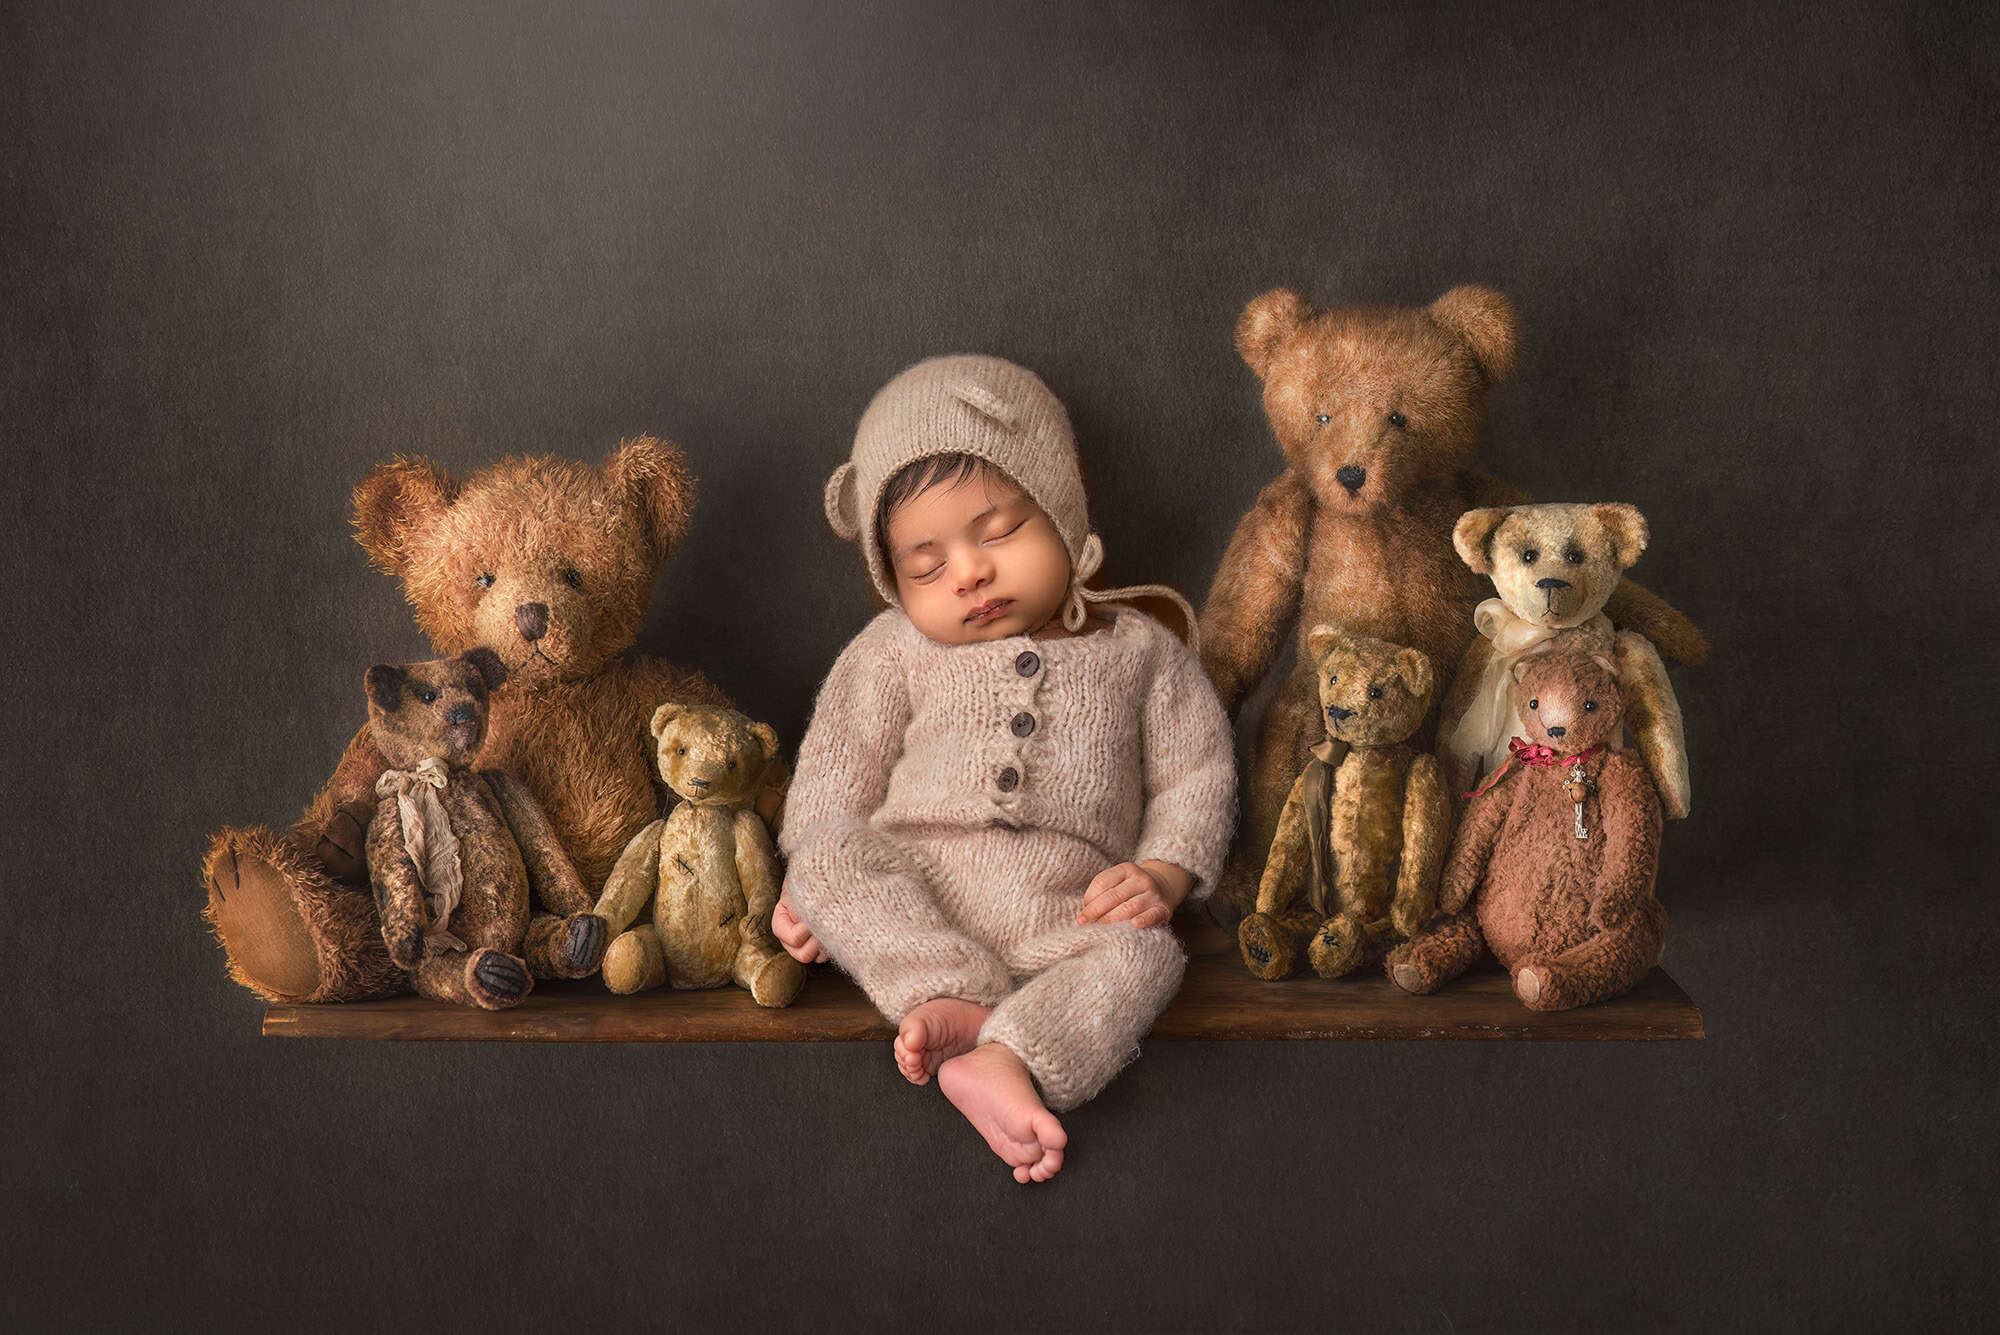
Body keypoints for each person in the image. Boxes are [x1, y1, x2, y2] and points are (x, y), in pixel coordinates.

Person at [772, 355, 1235, 1182]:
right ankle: (946, 989)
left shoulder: (1139, 651)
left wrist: (1164, 873)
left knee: (1148, 955)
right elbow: (835, 772)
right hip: (913, 890)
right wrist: (805, 887)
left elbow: (1196, 772)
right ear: (894, 580)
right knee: (826, 858)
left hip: (1067, 910)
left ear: (1062, 510)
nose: (970, 572)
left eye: (998, 532)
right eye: (926, 564)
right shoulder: (890, 652)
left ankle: (1010, 1051)